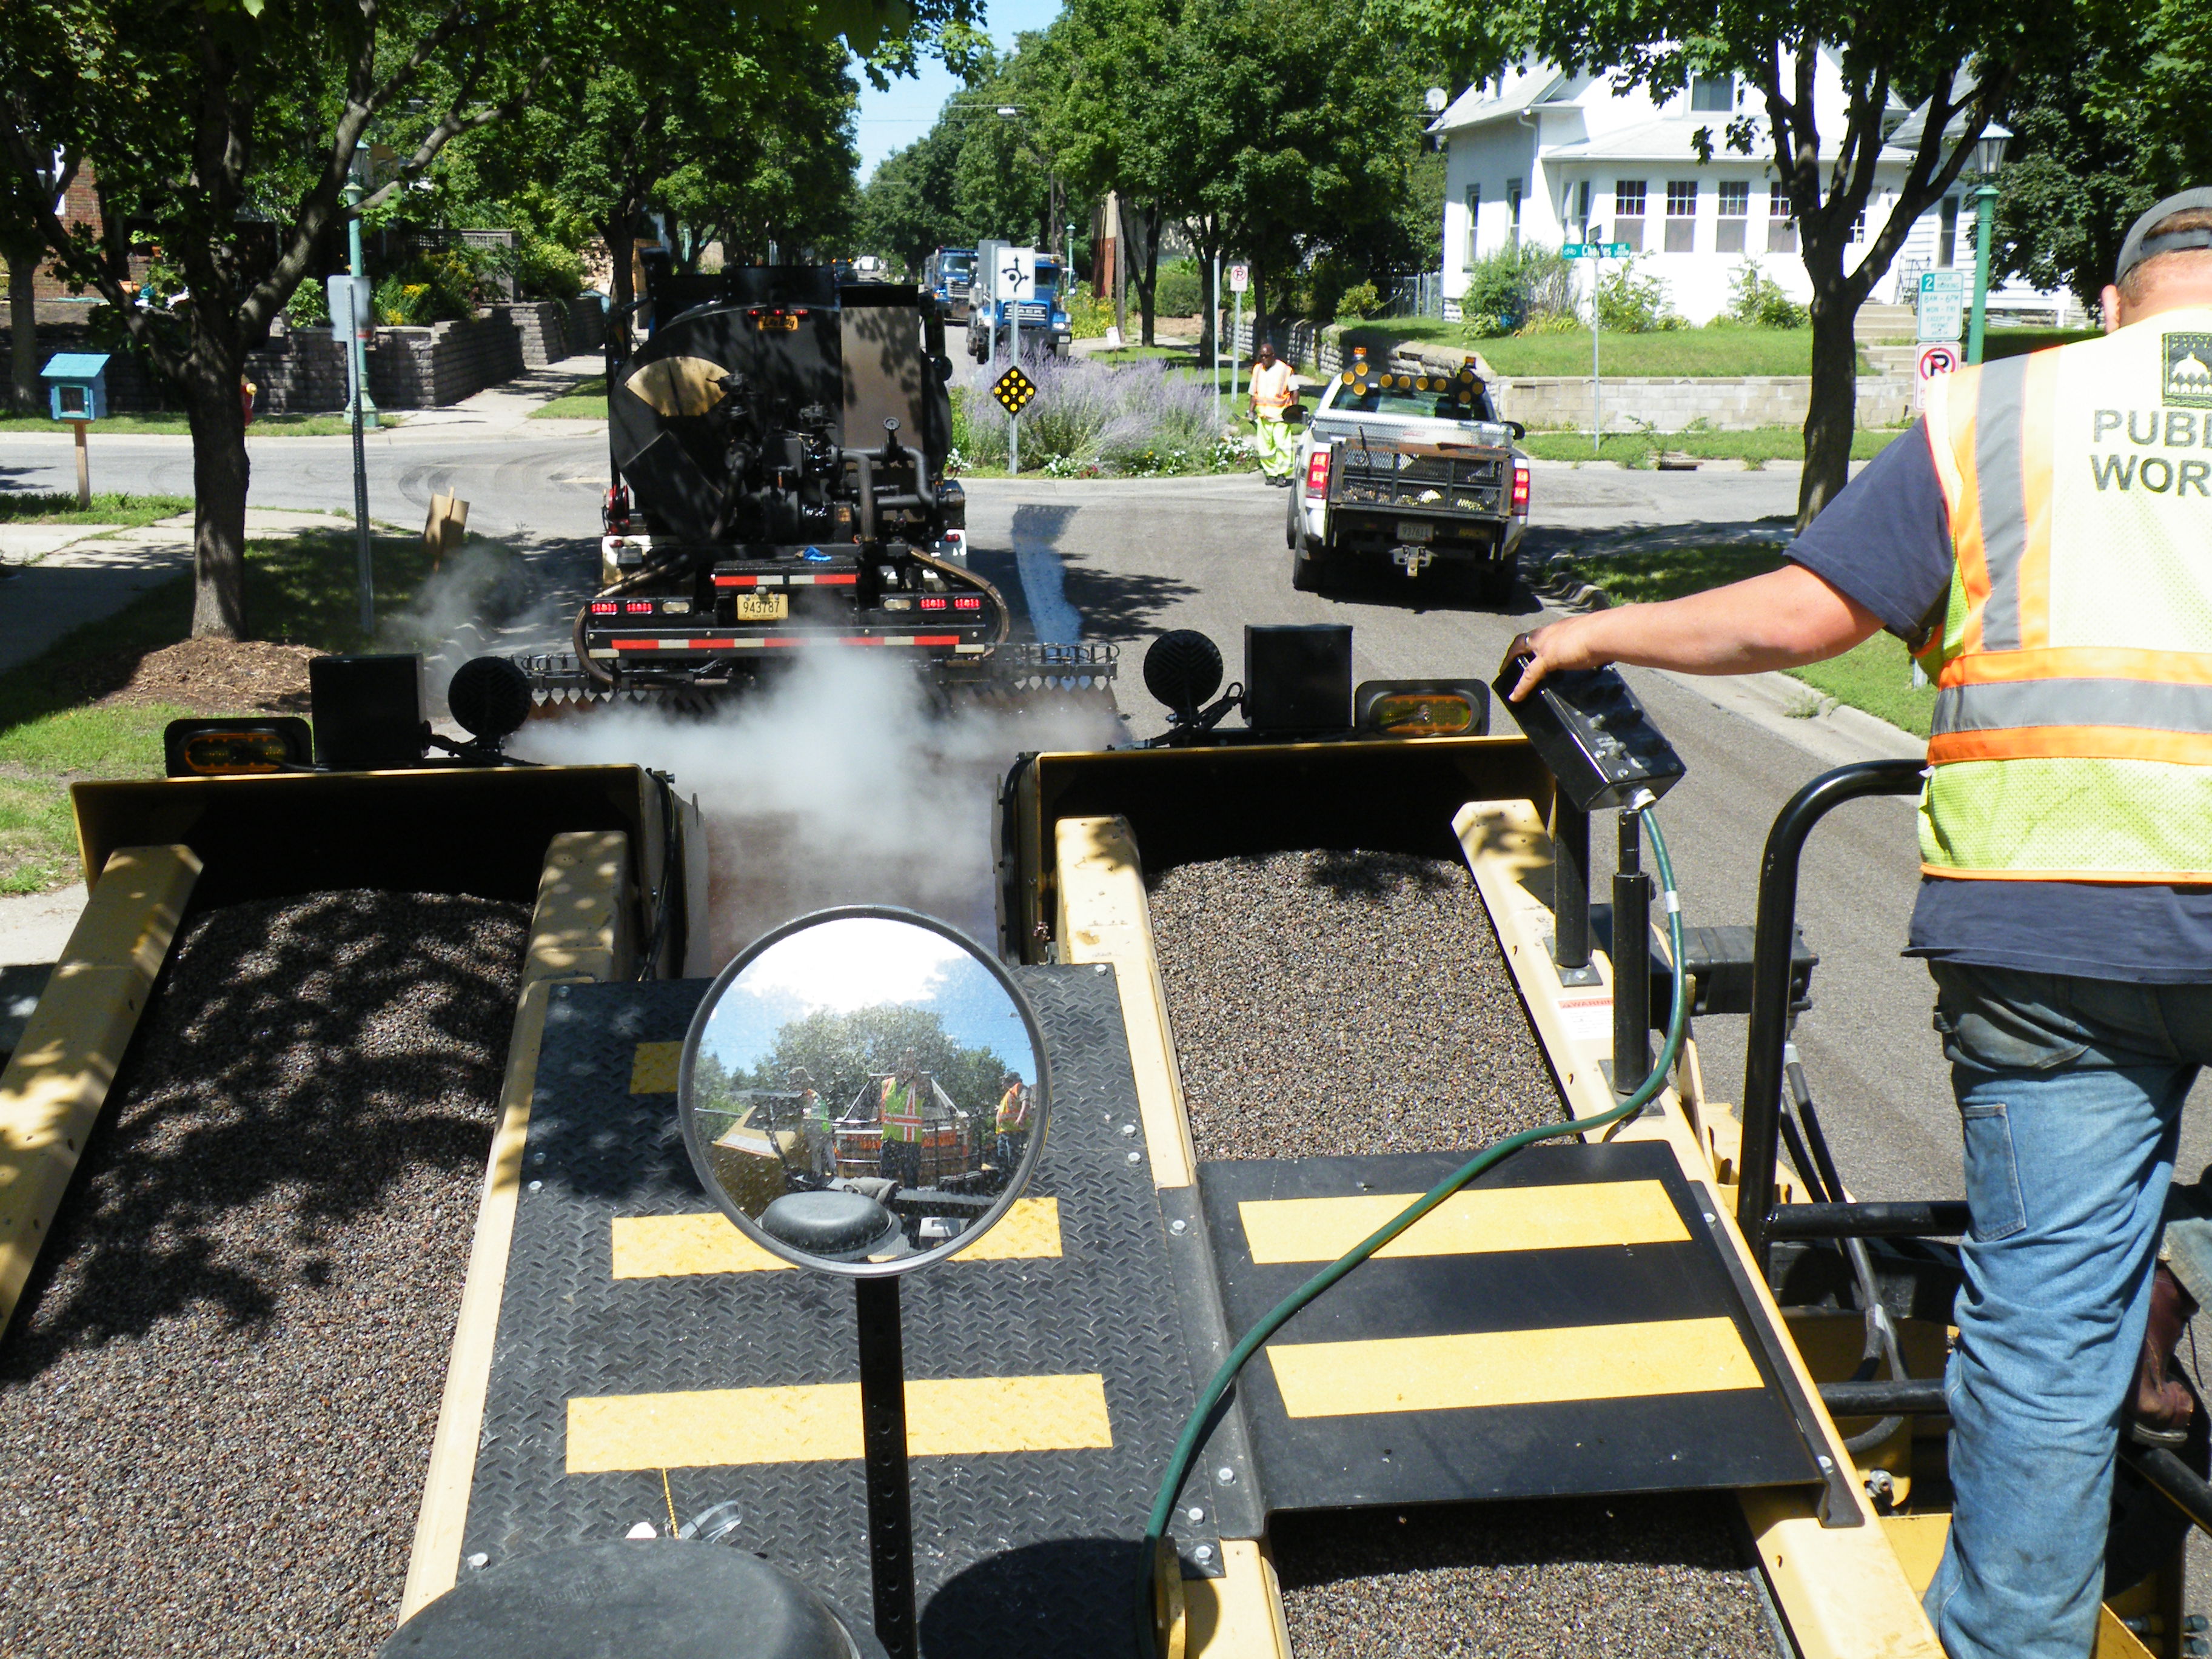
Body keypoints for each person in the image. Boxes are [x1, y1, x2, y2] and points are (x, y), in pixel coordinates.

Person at [1507, 189, 2212, 1659]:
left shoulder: (1999, 417)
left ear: (2111, 298)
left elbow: (1794, 618)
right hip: (2073, 934)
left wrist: (1593, 630)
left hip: (2053, 934)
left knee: (2045, 1335)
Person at [1248, 341, 1297, 484]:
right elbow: (1253, 393)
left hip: (1281, 417)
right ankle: (1271, 473)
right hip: (1263, 416)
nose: (1264, 359)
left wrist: (1294, 410)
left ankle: (1282, 474)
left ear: (1273, 356)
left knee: (1283, 446)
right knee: (1266, 448)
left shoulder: (1285, 370)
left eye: (1266, 356)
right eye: (1261, 356)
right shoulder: (1258, 369)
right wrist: (1251, 411)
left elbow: (1295, 391)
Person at [877, 1050, 926, 1190]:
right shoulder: (886, 1084)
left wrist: (913, 1065)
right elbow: (883, 1106)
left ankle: (911, 1209)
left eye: (908, 1065)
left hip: (910, 1144)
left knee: (911, 1183)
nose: (905, 1068)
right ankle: (887, 1208)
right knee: (886, 1182)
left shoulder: (918, 1085)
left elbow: (924, 1088)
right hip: (889, 1140)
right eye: (902, 1063)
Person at [789, 1065, 833, 1181]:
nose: (793, 1087)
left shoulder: (812, 1096)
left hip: (816, 1132)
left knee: (816, 1154)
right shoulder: (792, 1097)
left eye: (795, 1084)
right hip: (800, 1135)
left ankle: (817, 1175)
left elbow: (815, 1116)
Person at [993, 1070, 1030, 1173]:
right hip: (1004, 1132)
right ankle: (1005, 1180)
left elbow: (1025, 1101)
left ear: (1010, 1080)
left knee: (1013, 1160)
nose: (1003, 1083)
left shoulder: (1019, 1087)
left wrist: (1021, 1117)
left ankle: (1013, 1179)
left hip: (1014, 1132)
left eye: (1005, 1080)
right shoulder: (1008, 1094)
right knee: (1003, 1160)